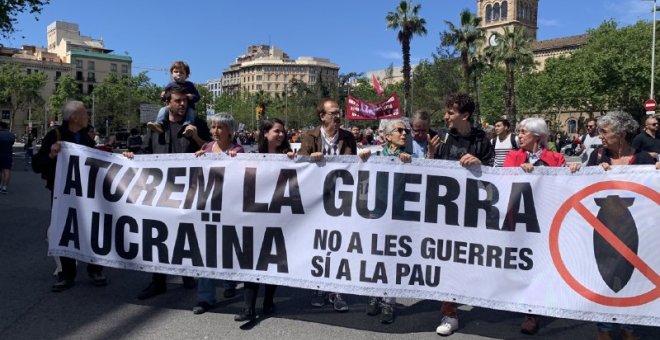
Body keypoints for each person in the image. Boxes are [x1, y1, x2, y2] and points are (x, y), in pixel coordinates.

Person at [569, 111, 656, 340]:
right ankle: (604, 329)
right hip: (603, 233)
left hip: (634, 232)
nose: (600, 137)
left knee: (632, 278)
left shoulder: (645, 160)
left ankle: (630, 327)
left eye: (605, 132)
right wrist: (576, 172)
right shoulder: (597, 157)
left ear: (622, 134)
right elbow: (581, 189)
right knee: (603, 278)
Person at [123, 85, 210, 300]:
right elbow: (145, 152)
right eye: (178, 101)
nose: (182, 104)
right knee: (157, 235)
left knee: (187, 234)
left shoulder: (196, 124)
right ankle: (158, 281)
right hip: (159, 191)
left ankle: (187, 273)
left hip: (189, 190)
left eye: (185, 101)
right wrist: (130, 156)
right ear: (168, 103)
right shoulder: (155, 127)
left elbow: (211, 149)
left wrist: (197, 139)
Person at [429, 93, 493, 336]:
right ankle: (450, 313)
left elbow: (494, 176)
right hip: (446, 213)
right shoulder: (441, 138)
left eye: (450, 113)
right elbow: (430, 174)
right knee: (447, 262)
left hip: (474, 211)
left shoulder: (483, 140)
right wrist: (431, 156)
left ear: (464, 116)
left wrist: (479, 163)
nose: (445, 117)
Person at [31, 101, 108, 291]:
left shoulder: (86, 138)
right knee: (65, 231)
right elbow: (37, 164)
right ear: (74, 117)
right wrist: (51, 154)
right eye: (84, 113)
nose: (87, 116)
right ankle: (66, 274)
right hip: (63, 195)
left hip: (87, 195)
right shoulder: (54, 136)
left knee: (91, 230)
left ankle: (95, 269)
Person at [502, 117, 567, 335]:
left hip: (546, 220)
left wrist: (574, 170)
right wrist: (519, 171)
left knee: (540, 263)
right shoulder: (514, 156)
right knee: (522, 262)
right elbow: (502, 180)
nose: (519, 136)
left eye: (523, 132)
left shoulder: (556, 158)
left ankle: (534, 310)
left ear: (537, 137)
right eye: (518, 132)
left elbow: (564, 185)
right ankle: (527, 305)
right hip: (519, 220)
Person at [298, 98, 358, 312]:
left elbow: (354, 166)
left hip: (341, 200)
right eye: (332, 113)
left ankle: (337, 290)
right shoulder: (309, 136)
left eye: (339, 112)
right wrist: (309, 158)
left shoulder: (348, 137)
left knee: (339, 244)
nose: (337, 116)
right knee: (320, 244)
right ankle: (320, 287)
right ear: (322, 116)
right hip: (317, 200)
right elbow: (299, 165)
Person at [234, 117, 295, 322]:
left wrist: (293, 160)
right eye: (277, 131)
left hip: (278, 216)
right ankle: (248, 307)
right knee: (252, 260)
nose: (281, 135)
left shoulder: (288, 156)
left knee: (273, 261)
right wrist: (231, 159)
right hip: (255, 216)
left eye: (282, 131)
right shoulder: (252, 155)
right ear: (266, 133)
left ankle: (268, 301)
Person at [359, 118, 413, 324]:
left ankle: (389, 301)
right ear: (387, 136)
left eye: (405, 131)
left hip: (399, 215)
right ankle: (374, 296)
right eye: (399, 131)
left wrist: (410, 163)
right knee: (375, 256)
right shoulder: (376, 155)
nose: (404, 134)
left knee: (393, 258)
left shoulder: (409, 158)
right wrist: (362, 157)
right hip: (377, 213)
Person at [190, 113, 243, 315]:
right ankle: (205, 298)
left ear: (230, 130)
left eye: (220, 127)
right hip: (209, 207)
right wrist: (196, 161)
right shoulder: (205, 149)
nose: (215, 131)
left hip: (229, 208)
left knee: (228, 248)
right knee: (207, 252)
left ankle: (230, 282)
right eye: (213, 127)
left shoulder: (237, 150)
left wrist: (237, 162)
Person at [146, 61, 200, 135]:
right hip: (173, 108)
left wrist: (192, 97)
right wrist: (163, 95)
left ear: (186, 75)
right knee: (163, 109)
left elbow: (197, 97)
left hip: (188, 107)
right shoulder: (170, 85)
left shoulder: (190, 85)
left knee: (191, 112)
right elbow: (166, 98)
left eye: (181, 72)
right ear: (172, 74)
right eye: (176, 72)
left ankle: (188, 127)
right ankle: (159, 124)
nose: (178, 74)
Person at [0, 122, 15, 193]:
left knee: (1, 171)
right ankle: (4, 187)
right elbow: (12, 143)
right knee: (7, 170)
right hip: (8, 154)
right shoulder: (11, 135)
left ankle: (0, 185)